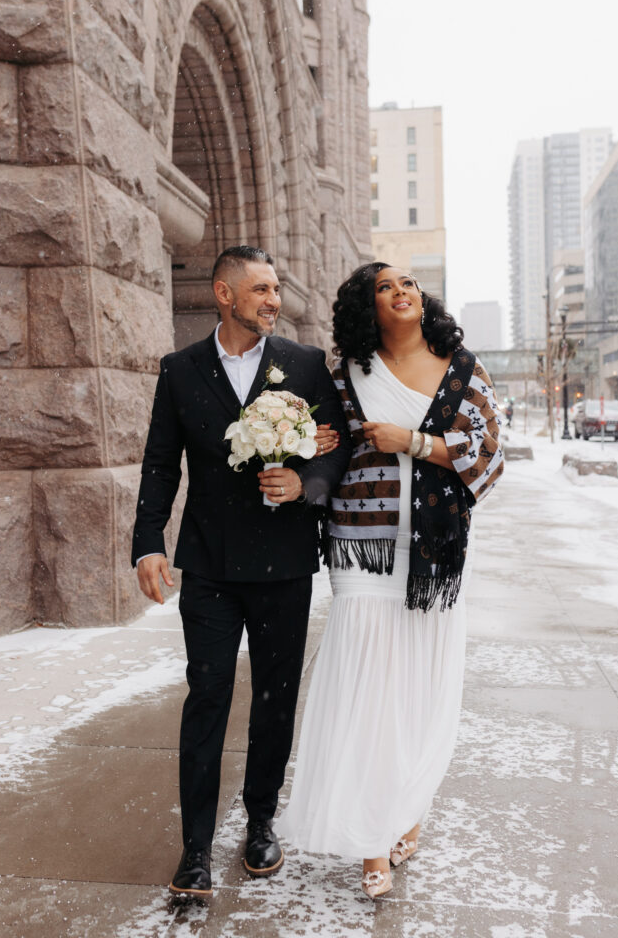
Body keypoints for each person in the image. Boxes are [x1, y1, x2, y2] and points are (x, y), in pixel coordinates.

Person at [277, 262, 504, 899]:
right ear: (366, 307)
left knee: (420, 690)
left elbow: (489, 459)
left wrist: (417, 442)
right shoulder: (348, 374)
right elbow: (332, 452)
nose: (402, 291)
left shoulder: (462, 368)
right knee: (368, 689)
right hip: (362, 549)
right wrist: (310, 446)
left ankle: (407, 804)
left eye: (407, 283)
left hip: (434, 551)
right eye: (385, 287)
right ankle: (372, 840)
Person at [131, 245, 349, 899]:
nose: (273, 300)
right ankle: (194, 848)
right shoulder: (179, 370)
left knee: (275, 702)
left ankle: (259, 823)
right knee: (207, 697)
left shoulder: (306, 366)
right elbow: (160, 463)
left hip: (284, 565)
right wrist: (148, 543)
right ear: (223, 295)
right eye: (259, 289)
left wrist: (304, 483)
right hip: (209, 566)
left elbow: (336, 455)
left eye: (275, 289)